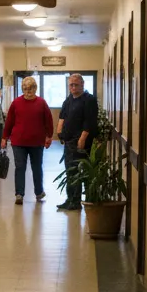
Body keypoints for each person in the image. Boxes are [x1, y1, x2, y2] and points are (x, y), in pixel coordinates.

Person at [1, 77, 53, 204]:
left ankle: (39, 192)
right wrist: (4, 137)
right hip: (18, 142)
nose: (28, 90)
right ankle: (19, 194)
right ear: (22, 88)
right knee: (20, 167)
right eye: (25, 88)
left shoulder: (42, 103)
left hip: (37, 141)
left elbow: (48, 121)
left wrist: (49, 136)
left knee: (37, 167)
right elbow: (9, 122)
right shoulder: (16, 103)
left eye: (30, 88)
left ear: (35, 88)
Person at [56, 73, 99, 211]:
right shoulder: (69, 100)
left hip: (82, 142)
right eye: (71, 85)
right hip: (69, 141)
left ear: (82, 84)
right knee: (70, 171)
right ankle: (71, 199)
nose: (73, 87)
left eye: (76, 84)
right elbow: (62, 116)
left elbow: (89, 121)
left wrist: (82, 138)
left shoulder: (89, 100)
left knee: (80, 171)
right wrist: (59, 133)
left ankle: (82, 200)